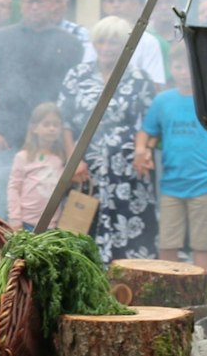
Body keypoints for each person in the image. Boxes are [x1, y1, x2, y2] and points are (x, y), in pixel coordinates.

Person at [0, 0, 84, 221]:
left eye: (40, 1)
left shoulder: (70, 44)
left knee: (53, 215)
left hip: (53, 144)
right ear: (21, 5)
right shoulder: (0, 39)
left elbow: (77, 97)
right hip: (9, 142)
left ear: (52, 5)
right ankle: (9, 258)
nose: (35, 7)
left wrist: (69, 146)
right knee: (7, 211)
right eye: (29, 1)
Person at [57, 16, 158, 260]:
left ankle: (129, 286)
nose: (106, 48)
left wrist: (145, 151)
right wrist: (74, 161)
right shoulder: (77, 75)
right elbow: (65, 123)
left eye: (113, 42)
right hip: (87, 166)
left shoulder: (139, 77)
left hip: (126, 166)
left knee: (131, 229)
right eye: (101, 41)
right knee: (81, 228)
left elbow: (152, 122)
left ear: (126, 45)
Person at [140, 46, 207, 269]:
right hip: (171, 185)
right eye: (178, 67)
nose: (185, 72)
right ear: (171, 69)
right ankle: (169, 289)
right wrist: (143, 150)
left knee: (203, 245)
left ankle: (202, 290)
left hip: (206, 183)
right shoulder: (163, 101)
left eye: (188, 66)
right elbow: (148, 130)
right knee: (168, 242)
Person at [84, 0, 166, 84]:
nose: (116, 5)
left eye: (122, 0)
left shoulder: (148, 42)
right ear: (104, 6)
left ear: (135, 4)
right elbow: (86, 75)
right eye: (111, 1)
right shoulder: (97, 39)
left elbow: (155, 82)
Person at [7, 103, 68, 232]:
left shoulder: (61, 159)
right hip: (26, 223)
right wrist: (15, 219)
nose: (52, 128)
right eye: (46, 124)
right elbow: (14, 189)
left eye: (56, 125)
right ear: (35, 128)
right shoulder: (23, 157)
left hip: (52, 226)